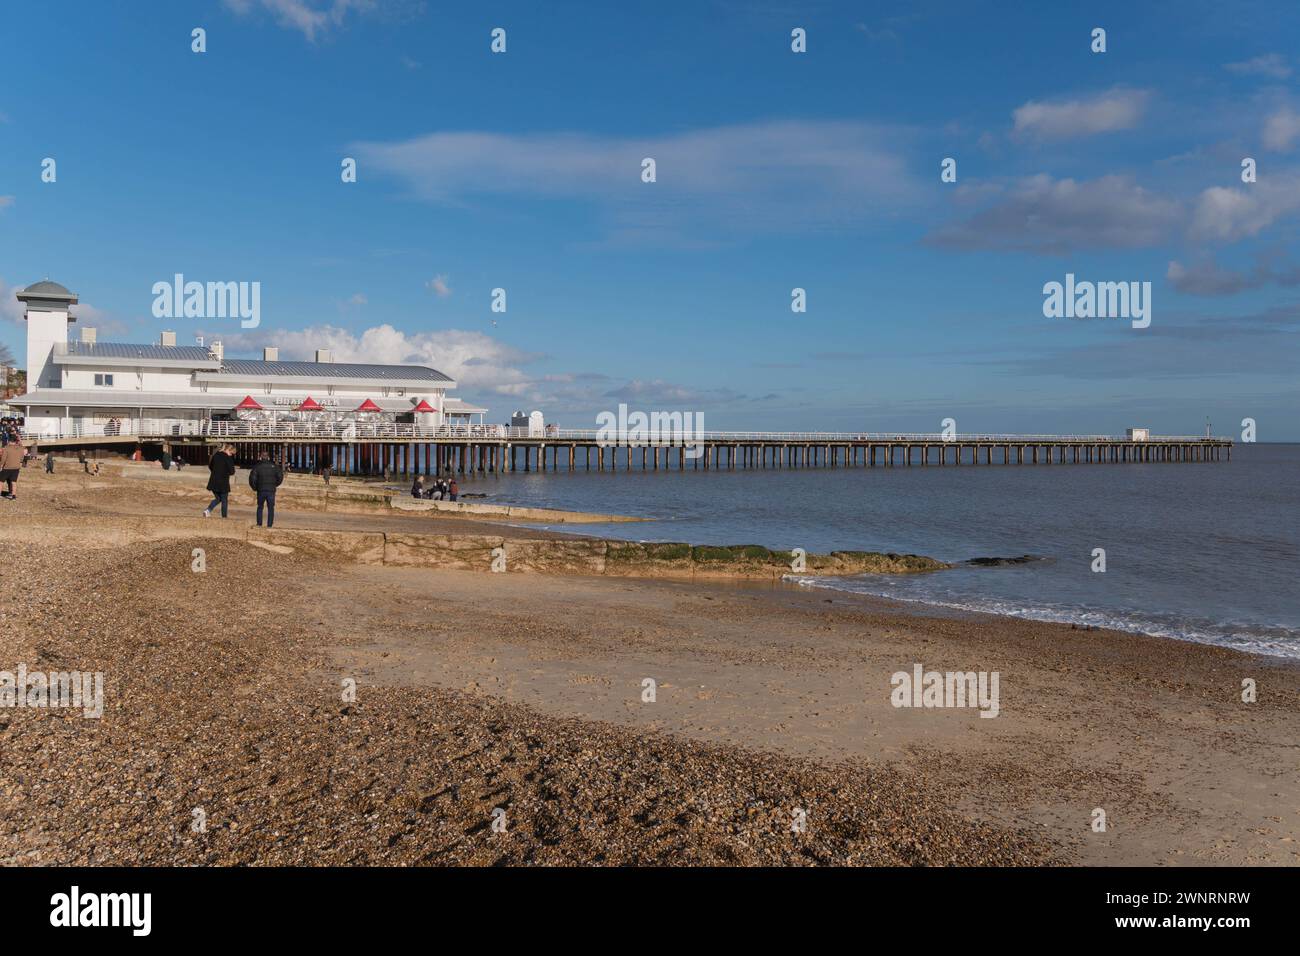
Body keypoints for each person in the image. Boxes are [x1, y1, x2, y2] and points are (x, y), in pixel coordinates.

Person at [248, 449, 284, 528]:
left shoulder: (257, 467)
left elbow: (252, 479)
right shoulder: (274, 466)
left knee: (260, 507)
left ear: (261, 457)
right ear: (268, 457)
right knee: (271, 508)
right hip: (271, 490)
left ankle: (259, 523)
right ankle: (269, 524)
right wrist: (275, 485)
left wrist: (255, 488)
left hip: (261, 489)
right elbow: (280, 477)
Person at [204, 443, 237, 518]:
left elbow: (210, 466)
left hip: (213, 481)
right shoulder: (228, 458)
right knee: (224, 500)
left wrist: (216, 471)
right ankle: (224, 517)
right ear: (228, 450)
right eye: (231, 453)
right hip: (223, 482)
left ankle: (208, 510)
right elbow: (232, 472)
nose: (231, 455)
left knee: (218, 499)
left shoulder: (216, 455)